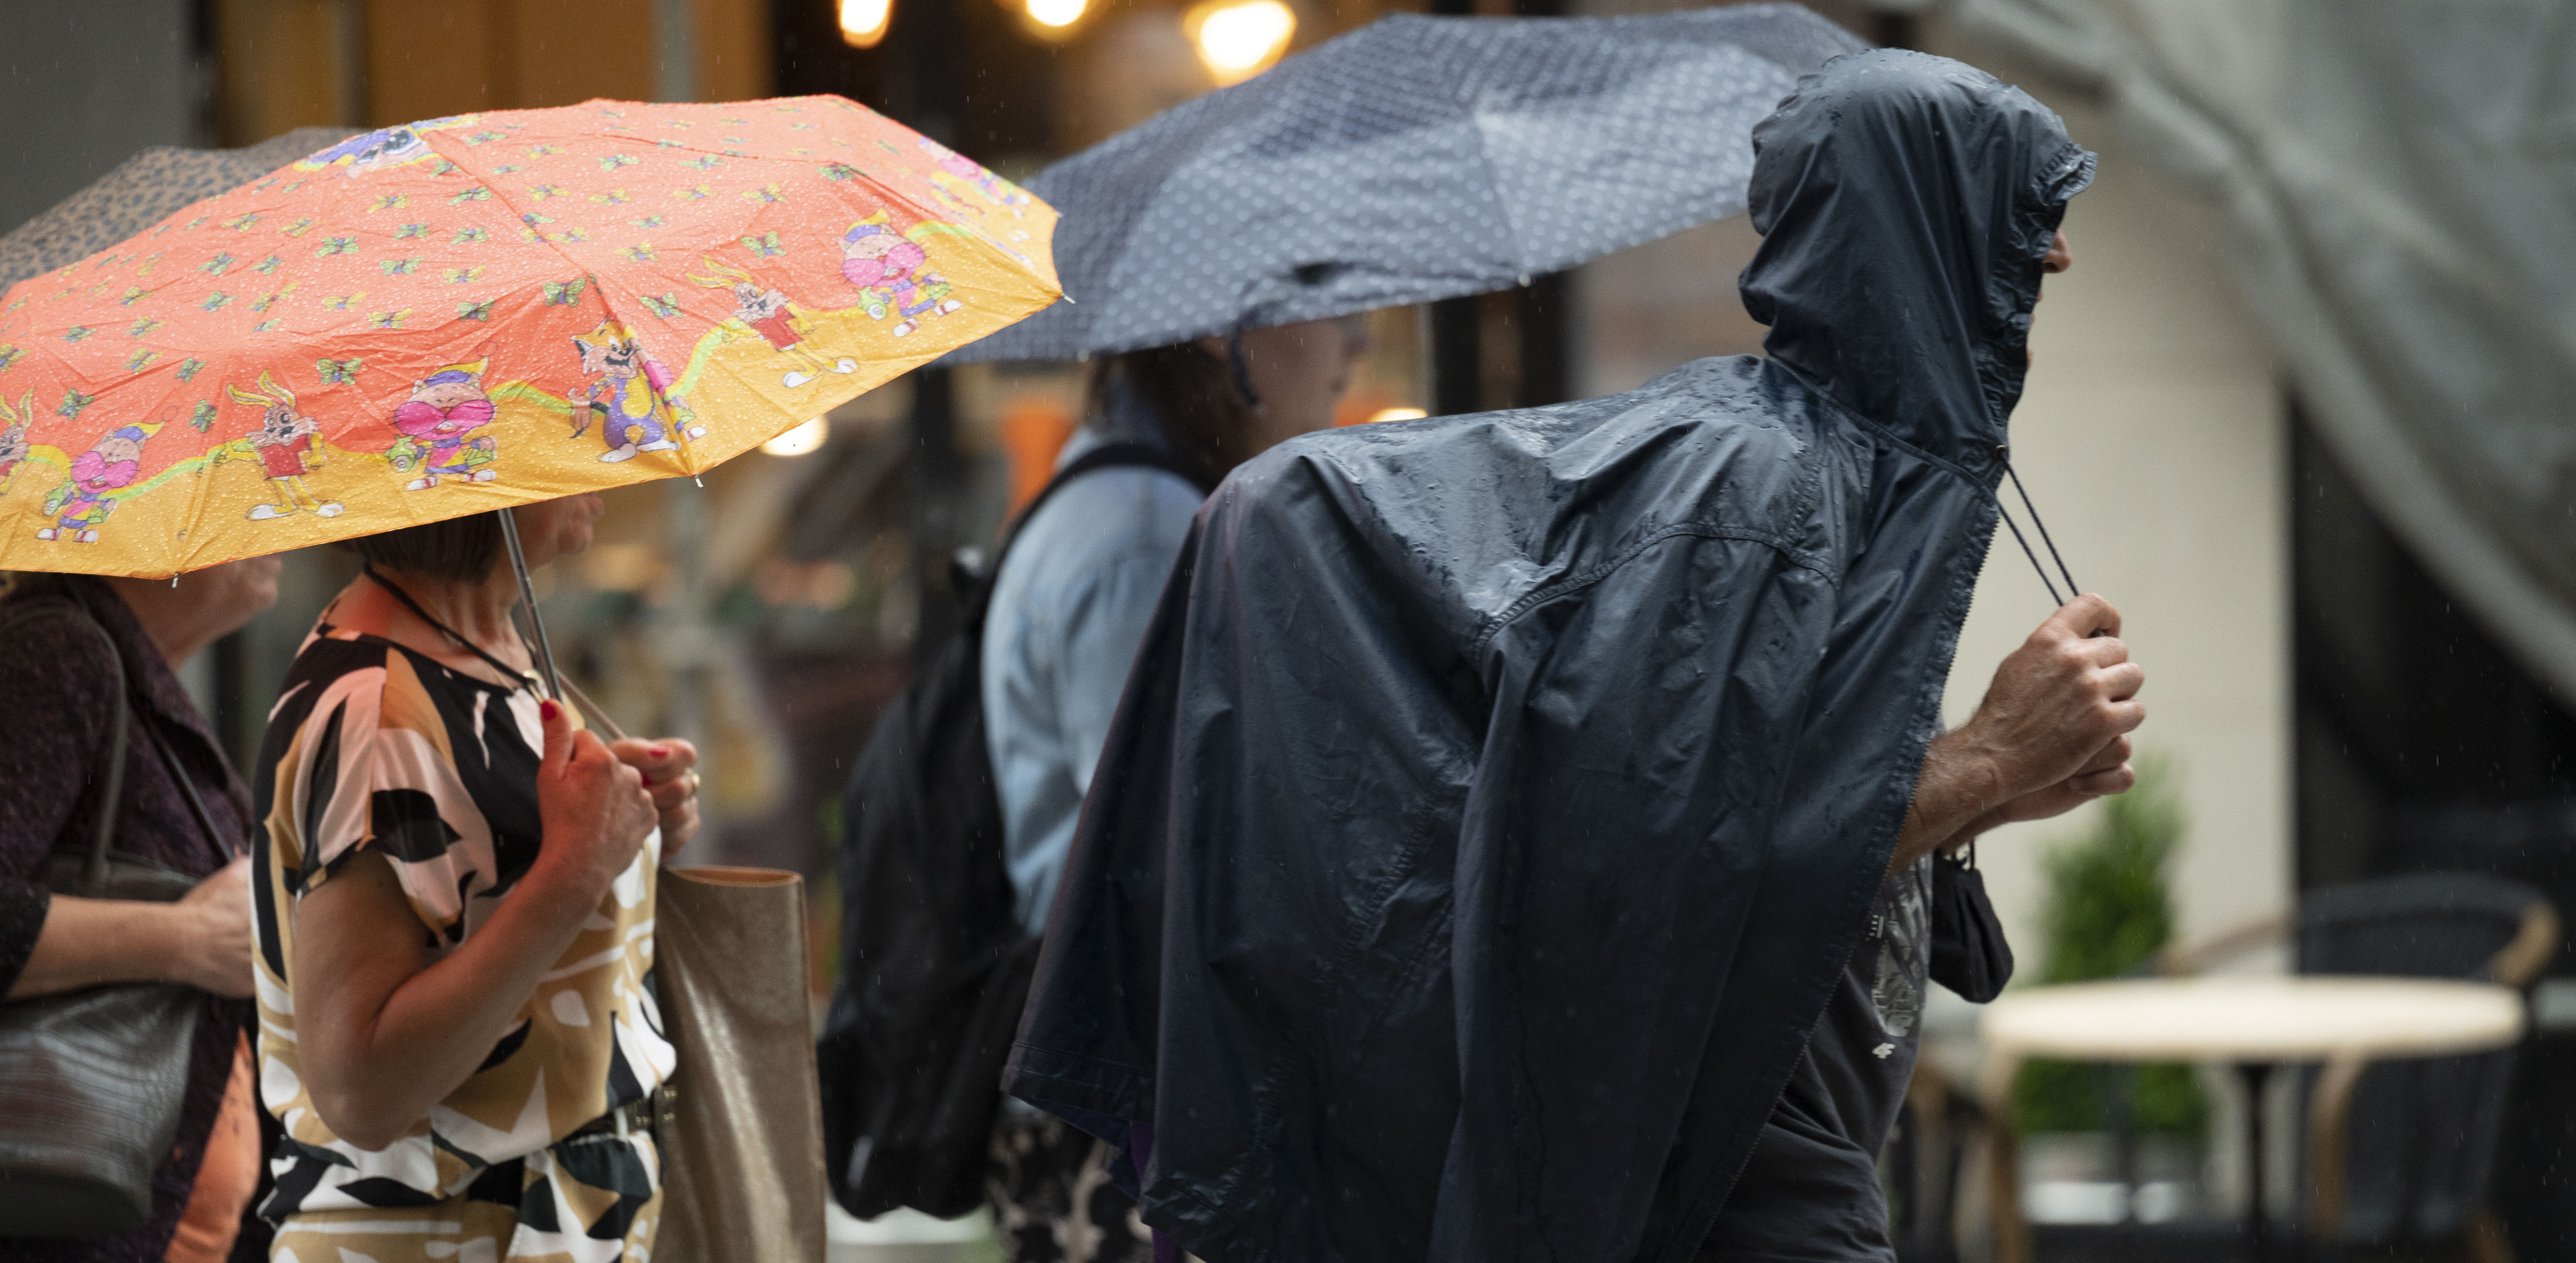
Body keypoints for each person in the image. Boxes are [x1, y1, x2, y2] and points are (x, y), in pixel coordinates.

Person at [1002, 49, 2135, 1263]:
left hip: (1758, 1149)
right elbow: (1630, 880)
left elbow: (1760, 804)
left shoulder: (1836, 477)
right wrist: (1981, 759)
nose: (2056, 257)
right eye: (2025, 219)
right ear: (1924, 235)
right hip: (1721, 1185)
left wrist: (1993, 784)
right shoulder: (1757, 490)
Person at [980, 316, 1370, 1261]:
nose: (1358, 344)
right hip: (1141, 1103)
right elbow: (1173, 850)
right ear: (1218, 336)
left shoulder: (1127, 497)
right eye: (1330, 299)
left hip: (1117, 1085)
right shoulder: (1147, 531)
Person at [247, 499, 701, 1263]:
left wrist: (627, 823)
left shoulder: (492, 645)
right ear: (475, 470)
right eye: (564, 425)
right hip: (444, 1230)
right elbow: (364, 1088)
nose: (600, 459)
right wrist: (579, 867)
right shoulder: (377, 706)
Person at [0, 557, 280, 1263]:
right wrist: (179, 937)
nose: (268, 531)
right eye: (233, 489)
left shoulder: (125, 674)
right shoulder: (58, 653)